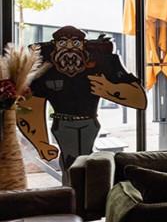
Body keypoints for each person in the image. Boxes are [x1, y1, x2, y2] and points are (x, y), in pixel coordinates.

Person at [18, 26, 147, 180]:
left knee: (84, 161)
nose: (70, 48)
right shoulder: (45, 66)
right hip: (63, 124)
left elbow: (139, 98)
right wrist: (41, 143)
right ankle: (74, 195)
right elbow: (32, 104)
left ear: (84, 44)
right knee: (71, 162)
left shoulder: (101, 60)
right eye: (63, 43)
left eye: (76, 43)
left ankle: (77, 195)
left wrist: (110, 89)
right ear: (55, 44)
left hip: (90, 123)